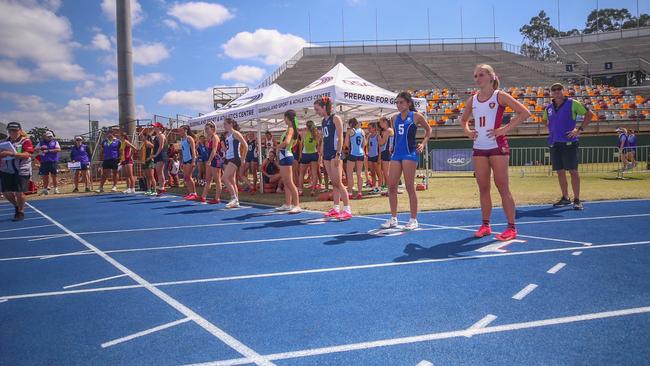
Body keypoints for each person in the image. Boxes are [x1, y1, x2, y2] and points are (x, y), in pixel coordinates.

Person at [461, 64, 531, 241]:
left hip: (497, 147)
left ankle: (511, 227)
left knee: (502, 186)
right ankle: (485, 225)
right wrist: (469, 131)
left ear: (492, 76)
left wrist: (505, 129)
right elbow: (463, 120)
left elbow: (524, 113)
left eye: (481, 75)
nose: (478, 78)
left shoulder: (500, 96)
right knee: (483, 188)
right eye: (475, 76)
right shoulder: (473, 99)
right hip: (479, 148)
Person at [380, 92, 432, 230]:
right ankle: (393, 218)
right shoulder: (394, 117)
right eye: (397, 102)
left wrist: (423, 143)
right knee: (391, 186)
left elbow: (429, 130)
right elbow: (397, 134)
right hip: (396, 154)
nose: (398, 105)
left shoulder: (416, 116)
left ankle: (413, 219)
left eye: (401, 102)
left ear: (408, 103)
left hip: (410, 154)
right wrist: (392, 145)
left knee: (409, 186)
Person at [542, 82, 593, 210]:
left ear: (563, 90)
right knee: (560, 172)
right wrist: (551, 128)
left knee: (573, 171)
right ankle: (565, 198)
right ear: (551, 92)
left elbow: (589, 114)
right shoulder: (548, 107)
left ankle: (577, 199)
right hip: (554, 142)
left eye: (559, 89)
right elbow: (544, 120)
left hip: (569, 142)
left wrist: (579, 129)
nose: (557, 91)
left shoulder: (572, 103)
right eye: (554, 89)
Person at [314, 96, 352, 220]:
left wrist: (338, 154)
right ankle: (336, 208)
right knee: (334, 183)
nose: (316, 112)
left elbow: (341, 137)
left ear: (324, 107)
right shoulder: (323, 121)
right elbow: (325, 139)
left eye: (317, 109)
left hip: (335, 154)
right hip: (326, 154)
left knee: (338, 182)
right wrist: (321, 154)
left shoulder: (336, 118)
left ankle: (347, 209)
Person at [0, 122, 34, 221]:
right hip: (6, 169)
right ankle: (16, 205)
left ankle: (21, 211)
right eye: (10, 130)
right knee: (6, 192)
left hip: (21, 169)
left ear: (19, 130)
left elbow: (27, 154)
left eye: (15, 130)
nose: (12, 132)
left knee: (20, 192)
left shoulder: (25, 141)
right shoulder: (3, 142)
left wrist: (12, 154)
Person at [276, 110, 301, 213]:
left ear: (287, 118)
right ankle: (287, 204)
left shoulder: (290, 129)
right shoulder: (290, 129)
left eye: (284, 117)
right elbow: (293, 142)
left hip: (286, 155)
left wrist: (277, 146)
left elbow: (286, 142)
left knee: (289, 182)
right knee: (286, 182)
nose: (284, 119)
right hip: (284, 155)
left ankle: (297, 205)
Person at [222, 118, 248, 208]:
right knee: (232, 181)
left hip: (235, 158)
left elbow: (245, 145)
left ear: (231, 124)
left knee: (224, 178)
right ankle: (236, 200)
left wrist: (243, 158)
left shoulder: (235, 133)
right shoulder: (227, 135)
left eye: (225, 124)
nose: (224, 126)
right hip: (229, 158)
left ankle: (234, 198)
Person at [198, 121, 223, 204]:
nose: (206, 130)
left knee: (217, 179)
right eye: (205, 129)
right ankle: (203, 196)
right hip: (210, 159)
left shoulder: (215, 137)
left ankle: (217, 198)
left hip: (215, 160)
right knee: (208, 179)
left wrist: (209, 160)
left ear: (212, 128)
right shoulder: (209, 138)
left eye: (207, 128)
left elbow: (214, 150)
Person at [345, 118, 366, 199]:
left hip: (352, 153)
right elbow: (364, 143)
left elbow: (346, 143)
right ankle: (360, 192)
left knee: (350, 174)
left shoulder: (350, 131)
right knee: (359, 174)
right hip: (360, 153)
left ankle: (350, 193)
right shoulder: (362, 131)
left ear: (351, 124)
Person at [299, 120, 321, 196]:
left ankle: (300, 190)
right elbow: (318, 145)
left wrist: (300, 154)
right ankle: (313, 191)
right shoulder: (316, 133)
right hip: (314, 154)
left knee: (301, 173)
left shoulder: (304, 133)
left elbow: (301, 144)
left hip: (305, 154)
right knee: (314, 173)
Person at [36, 130, 61, 195]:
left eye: (51, 136)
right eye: (48, 136)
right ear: (45, 137)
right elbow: (35, 150)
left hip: (53, 161)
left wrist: (48, 150)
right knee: (45, 176)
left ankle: (56, 189)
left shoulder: (55, 142)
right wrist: (40, 148)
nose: (50, 138)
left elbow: (58, 149)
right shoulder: (41, 143)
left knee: (54, 175)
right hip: (44, 162)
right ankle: (45, 189)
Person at [179, 125, 198, 200]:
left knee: (188, 177)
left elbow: (193, 151)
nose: (179, 132)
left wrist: (193, 161)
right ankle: (190, 193)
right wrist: (181, 161)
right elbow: (183, 151)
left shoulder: (189, 138)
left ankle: (194, 193)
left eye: (181, 130)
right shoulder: (182, 139)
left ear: (185, 130)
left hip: (190, 160)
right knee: (186, 178)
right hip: (185, 160)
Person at [377, 116, 394, 195]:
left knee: (386, 173)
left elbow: (381, 143)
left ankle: (391, 190)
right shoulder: (387, 131)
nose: (380, 125)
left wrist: (379, 137)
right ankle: (390, 190)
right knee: (386, 172)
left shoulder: (388, 130)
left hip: (387, 152)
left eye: (380, 122)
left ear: (385, 122)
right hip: (386, 152)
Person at [151, 122, 168, 194]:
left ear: (159, 127)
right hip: (158, 155)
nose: (154, 128)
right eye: (154, 127)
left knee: (159, 171)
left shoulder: (161, 136)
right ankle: (161, 186)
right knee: (158, 171)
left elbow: (161, 147)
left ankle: (162, 186)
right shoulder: (156, 136)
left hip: (161, 155)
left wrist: (155, 155)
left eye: (155, 127)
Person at [140, 129, 157, 196]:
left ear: (145, 137)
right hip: (145, 161)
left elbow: (153, 147)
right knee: (147, 177)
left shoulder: (147, 142)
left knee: (151, 176)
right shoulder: (143, 143)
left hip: (149, 161)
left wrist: (150, 157)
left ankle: (154, 190)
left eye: (142, 136)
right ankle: (149, 189)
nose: (141, 138)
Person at [367, 122, 382, 194]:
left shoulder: (378, 136)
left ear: (374, 128)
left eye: (370, 128)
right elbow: (367, 145)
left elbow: (380, 147)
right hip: (370, 156)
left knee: (378, 173)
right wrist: (368, 153)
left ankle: (379, 187)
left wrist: (379, 158)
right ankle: (373, 187)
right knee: (372, 173)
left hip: (376, 156)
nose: (368, 129)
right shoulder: (369, 136)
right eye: (368, 128)